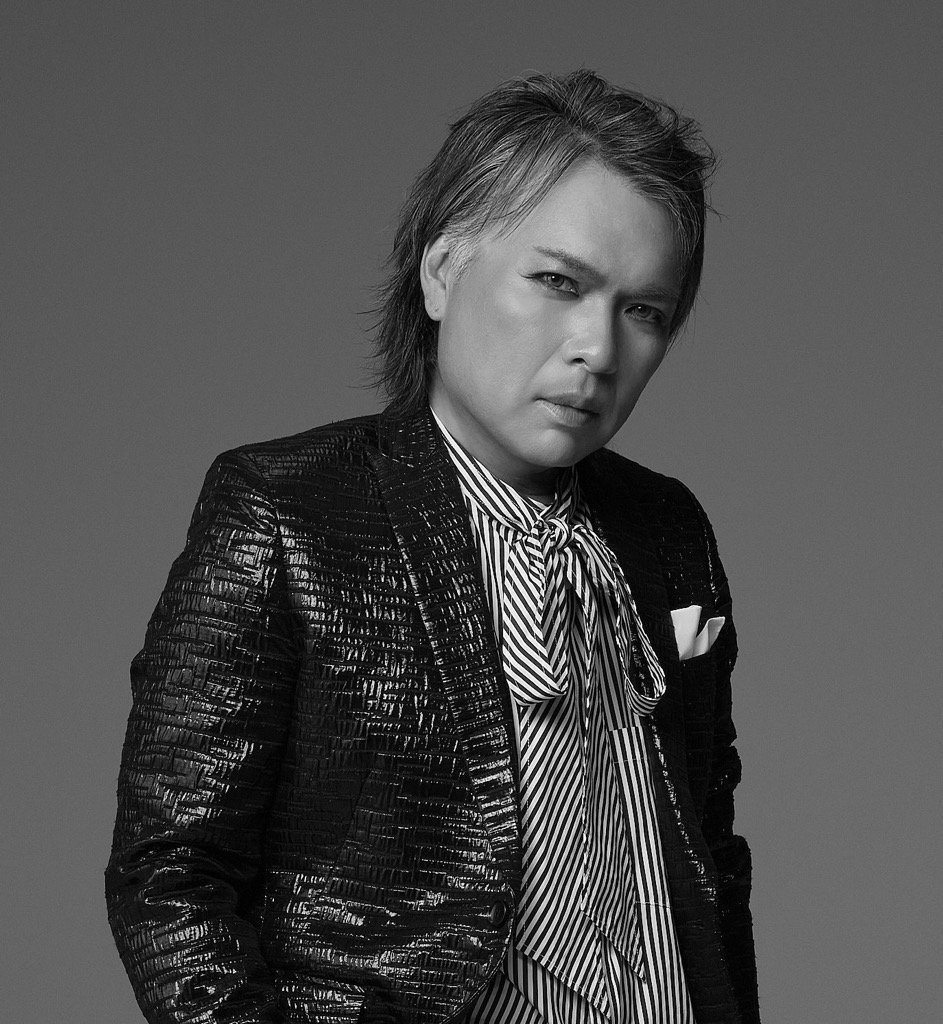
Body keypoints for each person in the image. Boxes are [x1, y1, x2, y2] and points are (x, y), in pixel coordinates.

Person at [106, 69, 759, 1024]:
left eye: (643, 311)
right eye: (558, 282)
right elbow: (170, 875)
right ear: (444, 271)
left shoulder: (667, 530)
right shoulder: (287, 510)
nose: (597, 347)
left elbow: (711, 856)